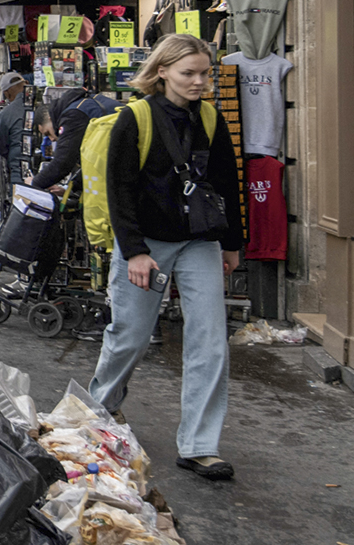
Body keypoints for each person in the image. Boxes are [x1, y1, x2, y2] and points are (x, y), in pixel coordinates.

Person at [88, 34, 242, 481]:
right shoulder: (134, 118)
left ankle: (199, 445)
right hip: (147, 244)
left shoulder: (211, 119)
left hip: (200, 242)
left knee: (211, 341)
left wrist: (231, 244)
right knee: (131, 335)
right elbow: (120, 191)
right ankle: (102, 409)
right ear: (161, 72)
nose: (199, 82)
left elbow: (227, 185)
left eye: (204, 73)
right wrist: (134, 251)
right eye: (188, 73)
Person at [0, 71, 29, 198]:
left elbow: (2, 145)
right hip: (44, 170)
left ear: (7, 93)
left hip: (19, 170)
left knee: (20, 207)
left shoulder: (7, 113)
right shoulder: (43, 105)